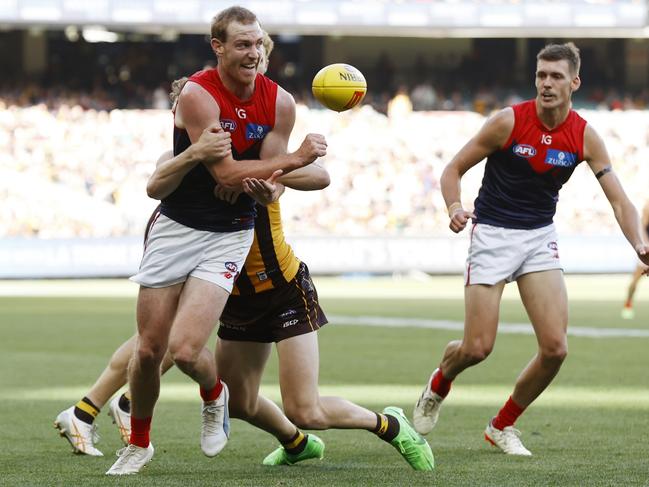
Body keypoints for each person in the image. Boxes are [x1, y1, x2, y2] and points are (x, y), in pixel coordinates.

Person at [57, 28, 434, 473]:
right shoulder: (193, 157)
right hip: (233, 290)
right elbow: (172, 181)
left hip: (280, 285)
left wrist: (269, 179)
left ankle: (387, 425)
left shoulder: (269, 147)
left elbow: (315, 178)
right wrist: (223, 171)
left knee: (306, 408)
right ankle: (295, 445)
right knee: (234, 398)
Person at [103, 6, 327, 475]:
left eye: (259, 44)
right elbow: (226, 171)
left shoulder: (280, 102)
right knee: (148, 350)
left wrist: (273, 184)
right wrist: (297, 157)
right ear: (218, 47)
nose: (253, 53)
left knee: (185, 350)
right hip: (177, 225)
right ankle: (140, 443)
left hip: (230, 232)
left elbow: (268, 169)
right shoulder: (197, 94)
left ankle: (213, 395)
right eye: (242, 44)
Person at [412, 42, 649, 456]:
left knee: (556, 348)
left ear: (575, 82)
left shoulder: (584, 135)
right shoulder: (507, 121)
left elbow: (619, 200)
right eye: (541, 75)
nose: (546, 83)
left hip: (539, 236)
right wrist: (453, 207)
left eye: (556, 76)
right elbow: (453, 169)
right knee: (477, 348)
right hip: (492, 234)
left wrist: (640, 243)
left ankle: (501, 425)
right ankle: (439, 383)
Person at [621, 200, 649, 319]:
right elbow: (642, 227)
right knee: (635, 281)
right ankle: (628, 303)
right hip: (647, 247)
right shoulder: (647, 206)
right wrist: (645, 246)